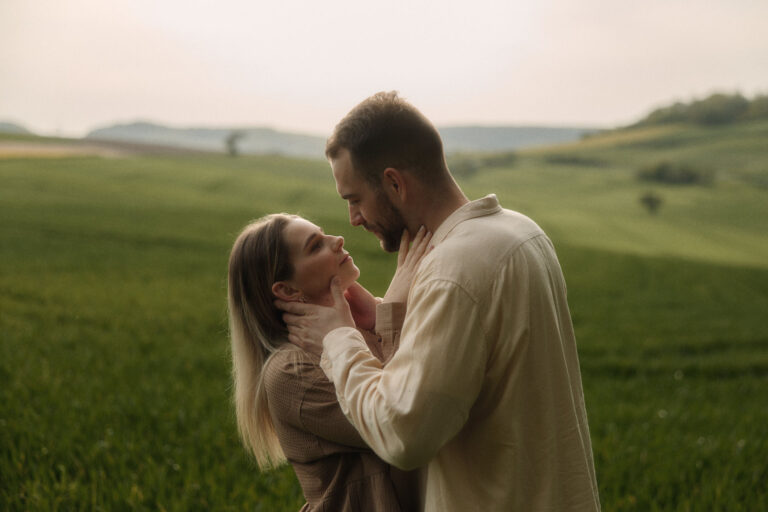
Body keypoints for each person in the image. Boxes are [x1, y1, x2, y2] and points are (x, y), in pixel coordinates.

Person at [277, 92, 601, 511]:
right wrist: (390, 317)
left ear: (395, 183)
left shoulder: (451, 270)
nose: (353, 219)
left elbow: (403, 433)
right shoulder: (523, 233)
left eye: (354, 199)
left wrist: (339, 340)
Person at [227, 213, 430, 511]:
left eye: (324, 235)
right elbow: (401, 421)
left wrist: (378, 315)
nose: (338, 240)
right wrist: (393, 312)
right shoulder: (289, 372)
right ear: (287, 290)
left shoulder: (358, 326)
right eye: (315, 246)